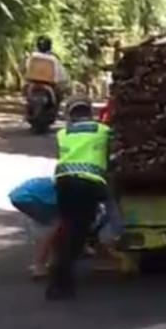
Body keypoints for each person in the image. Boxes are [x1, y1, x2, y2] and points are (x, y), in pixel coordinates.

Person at [47, 98, 114, 300]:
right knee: (78, 233)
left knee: (68, 228)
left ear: (70, 116)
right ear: (89, 113)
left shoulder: (62, 134)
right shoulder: (102, 131)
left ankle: (58, 280)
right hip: (89, 185)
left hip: (64, 185)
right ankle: (61, 283)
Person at [25, 36, 68, 105]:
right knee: (58, 96)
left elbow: (26, 67)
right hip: (49, 84)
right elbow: (60, 73)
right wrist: (62, 81)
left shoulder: (32, 56)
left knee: (26, 90)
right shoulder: (53, 58)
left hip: (33, 82)